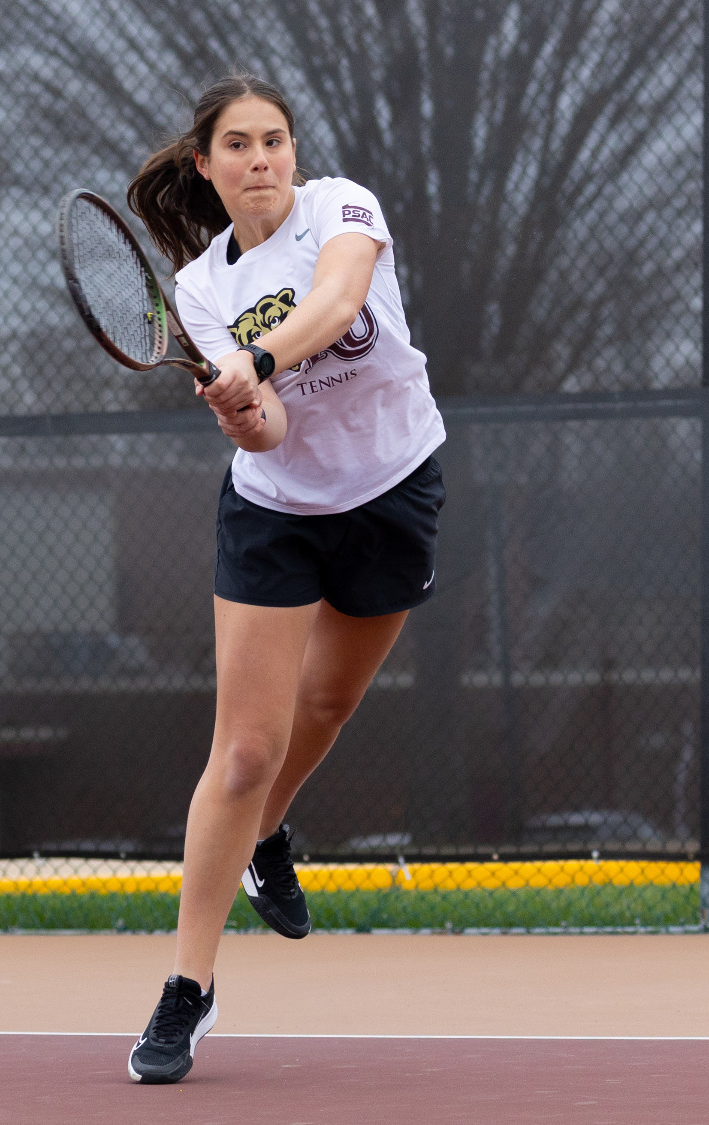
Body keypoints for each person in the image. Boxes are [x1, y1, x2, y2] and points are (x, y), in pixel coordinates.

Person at [122, 73, 447, 1084]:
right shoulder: (198, 290)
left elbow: (340, 301)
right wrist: (240, 409)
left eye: (273, 140)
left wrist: (254, 362)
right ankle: (188, 987)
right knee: (243, 750)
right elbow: (272, 429)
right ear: (206, 165)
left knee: (329, 704)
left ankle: (267, 840)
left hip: (393, 488)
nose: (260, 157)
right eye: (238, 144)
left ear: (292, 155)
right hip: (275, 512)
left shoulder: (342, 208)